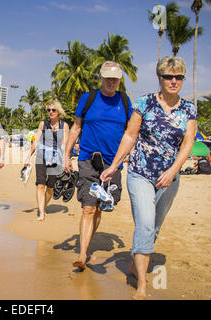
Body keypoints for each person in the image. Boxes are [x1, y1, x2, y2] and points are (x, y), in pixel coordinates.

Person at [100, 56, 197, 300]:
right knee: (144, 223)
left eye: (178, 77)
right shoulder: (145, 103)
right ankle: (142, 284)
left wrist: (174, 171)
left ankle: (135, 261)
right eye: (168, 76)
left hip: (169, 177)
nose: (173, 81)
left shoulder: (189, 109)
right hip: (140, 173)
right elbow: (130, 136)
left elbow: (187, 144)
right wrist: (114, 166)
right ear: (160, 78)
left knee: (153, 227)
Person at [64, 61, 133, 270]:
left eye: (115, 78)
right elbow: (76, 128)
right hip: (87, 161)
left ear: (119, 80)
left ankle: (87, 244)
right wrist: (66, 155)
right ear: (101, 78)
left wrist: (126, 156)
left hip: (113, 165)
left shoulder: (125, 101)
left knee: (100, 208)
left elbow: (131, 132)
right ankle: (83, 254)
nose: (111, 81)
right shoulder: (88, 98)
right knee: (87, 208)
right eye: (107, 77)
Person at [24, 100, 69, 221]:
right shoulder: (43, 124)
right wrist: (28, 156)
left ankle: (43, 206)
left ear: (58, 112)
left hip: (56, 158)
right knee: (40, 184)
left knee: (50, 187)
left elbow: (65, 144)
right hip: (41, 155)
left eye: (53, 110)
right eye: (48, 110)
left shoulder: (64, 126)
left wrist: (66, 160)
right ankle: (41, 212)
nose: (50, 112)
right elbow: (36, 141)